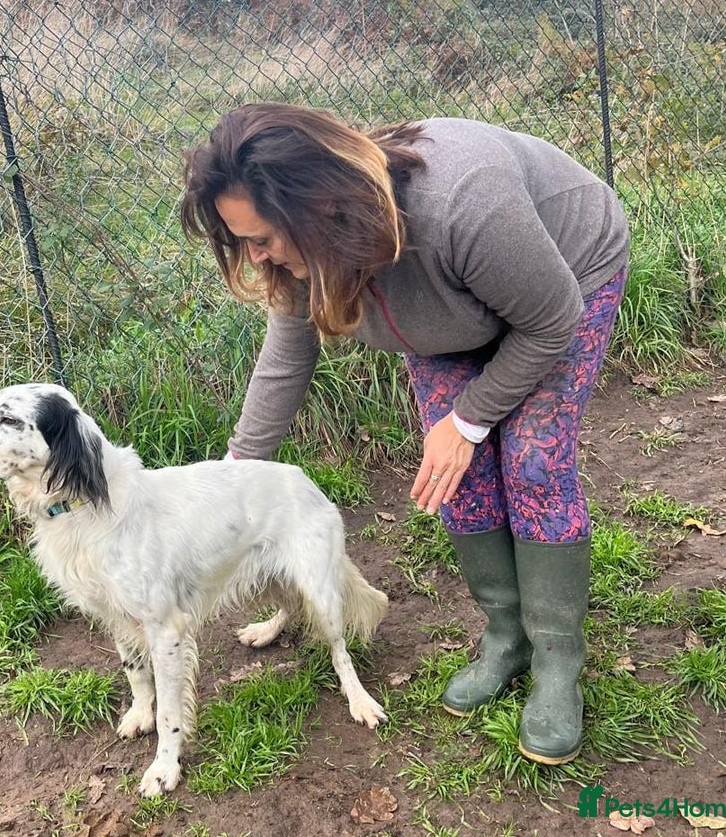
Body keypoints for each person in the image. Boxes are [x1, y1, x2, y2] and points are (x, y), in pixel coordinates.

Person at [181, 103, 629, 766]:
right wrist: (232, 477)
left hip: (563, 281)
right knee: (458, 475)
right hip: (452, 312)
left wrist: (471, 420)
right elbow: (284, 363)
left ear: (319, 207)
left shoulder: (465, 202)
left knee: (532, 461)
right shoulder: (304, 256)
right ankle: (507, 638)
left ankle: (557, 662)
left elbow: (550, 319)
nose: (255, 255)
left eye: (264, 236)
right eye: (240, 239)